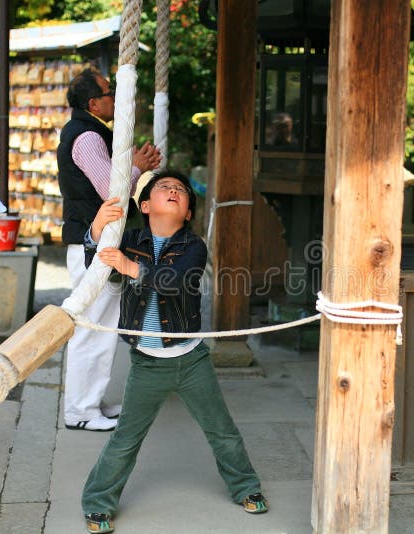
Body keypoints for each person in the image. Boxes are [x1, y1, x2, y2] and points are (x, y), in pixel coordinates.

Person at [79, 171, 268, 534]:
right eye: (164, 188)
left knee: (222, 431)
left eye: (181, 191)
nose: (173, 191)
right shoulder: (129, 239)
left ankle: (246, 487)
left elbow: (174, 280)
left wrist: (130, 267)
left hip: (191, 359)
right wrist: (96, 231)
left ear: (186, 214)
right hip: (146, 364)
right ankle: (97, 502)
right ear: (145, 206)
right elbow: (99, 269)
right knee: (125, 439)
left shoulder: (193, 246)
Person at [58, 67, 161, 432]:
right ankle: (81, 411)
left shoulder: (88, 131)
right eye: (108, 92)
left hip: (95, 242)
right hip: (90, 242)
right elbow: (110, 191)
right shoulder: (86, 136)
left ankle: (91, 403)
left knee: (101, 326)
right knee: (92, 328)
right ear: (92, 103)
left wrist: (133, 165)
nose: (114, 97)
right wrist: (136, 165)